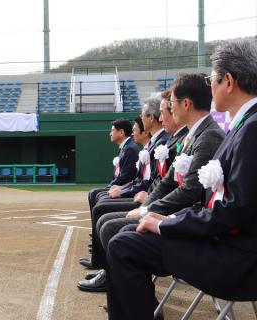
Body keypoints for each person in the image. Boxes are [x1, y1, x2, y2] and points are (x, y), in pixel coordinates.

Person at [106, 39, 257, 320]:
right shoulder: (245, 126)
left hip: (236, 257)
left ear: (228, 81)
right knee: (126, 236)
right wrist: (166, 221)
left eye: (212, 79)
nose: (210, 86)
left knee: (124, 246)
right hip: (223, 241)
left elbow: (234, 211)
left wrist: (168, 223)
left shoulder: (251, 129)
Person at [80, 73, 225, 293]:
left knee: (113, 228)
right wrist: (147, 208)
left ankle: (132, 295)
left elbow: (189, 191)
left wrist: (149, 209)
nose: (168, 110)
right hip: (177, 211)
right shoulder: (193, 136)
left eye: (172, 104)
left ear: (186, 104)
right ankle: (125, 289)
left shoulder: (209, 136)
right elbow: (168, 182)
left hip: (189, 218)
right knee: (110, 222)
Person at [79, 98, 171, 271]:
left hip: (151, 201)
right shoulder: (154, 145)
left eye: (142, 116)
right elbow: (144, 179)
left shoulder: (161, 143)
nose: (139, 122)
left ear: (151, 118)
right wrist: (123, 189)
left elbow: (154, 181)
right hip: (146, 196)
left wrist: (137, 194)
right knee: (99, 199)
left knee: (102, 209)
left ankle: (104, 265)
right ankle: (101, 259)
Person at [87, 119, 140, 216]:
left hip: (126, 188)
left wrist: (111, 187)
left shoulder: (130, 149)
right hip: (122, 186)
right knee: (93, 193)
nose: (110, 134)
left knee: (94, 193)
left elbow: (125, 177)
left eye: (112, 130)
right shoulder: (125, 147)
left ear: (121, 132)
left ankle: (96, 231)